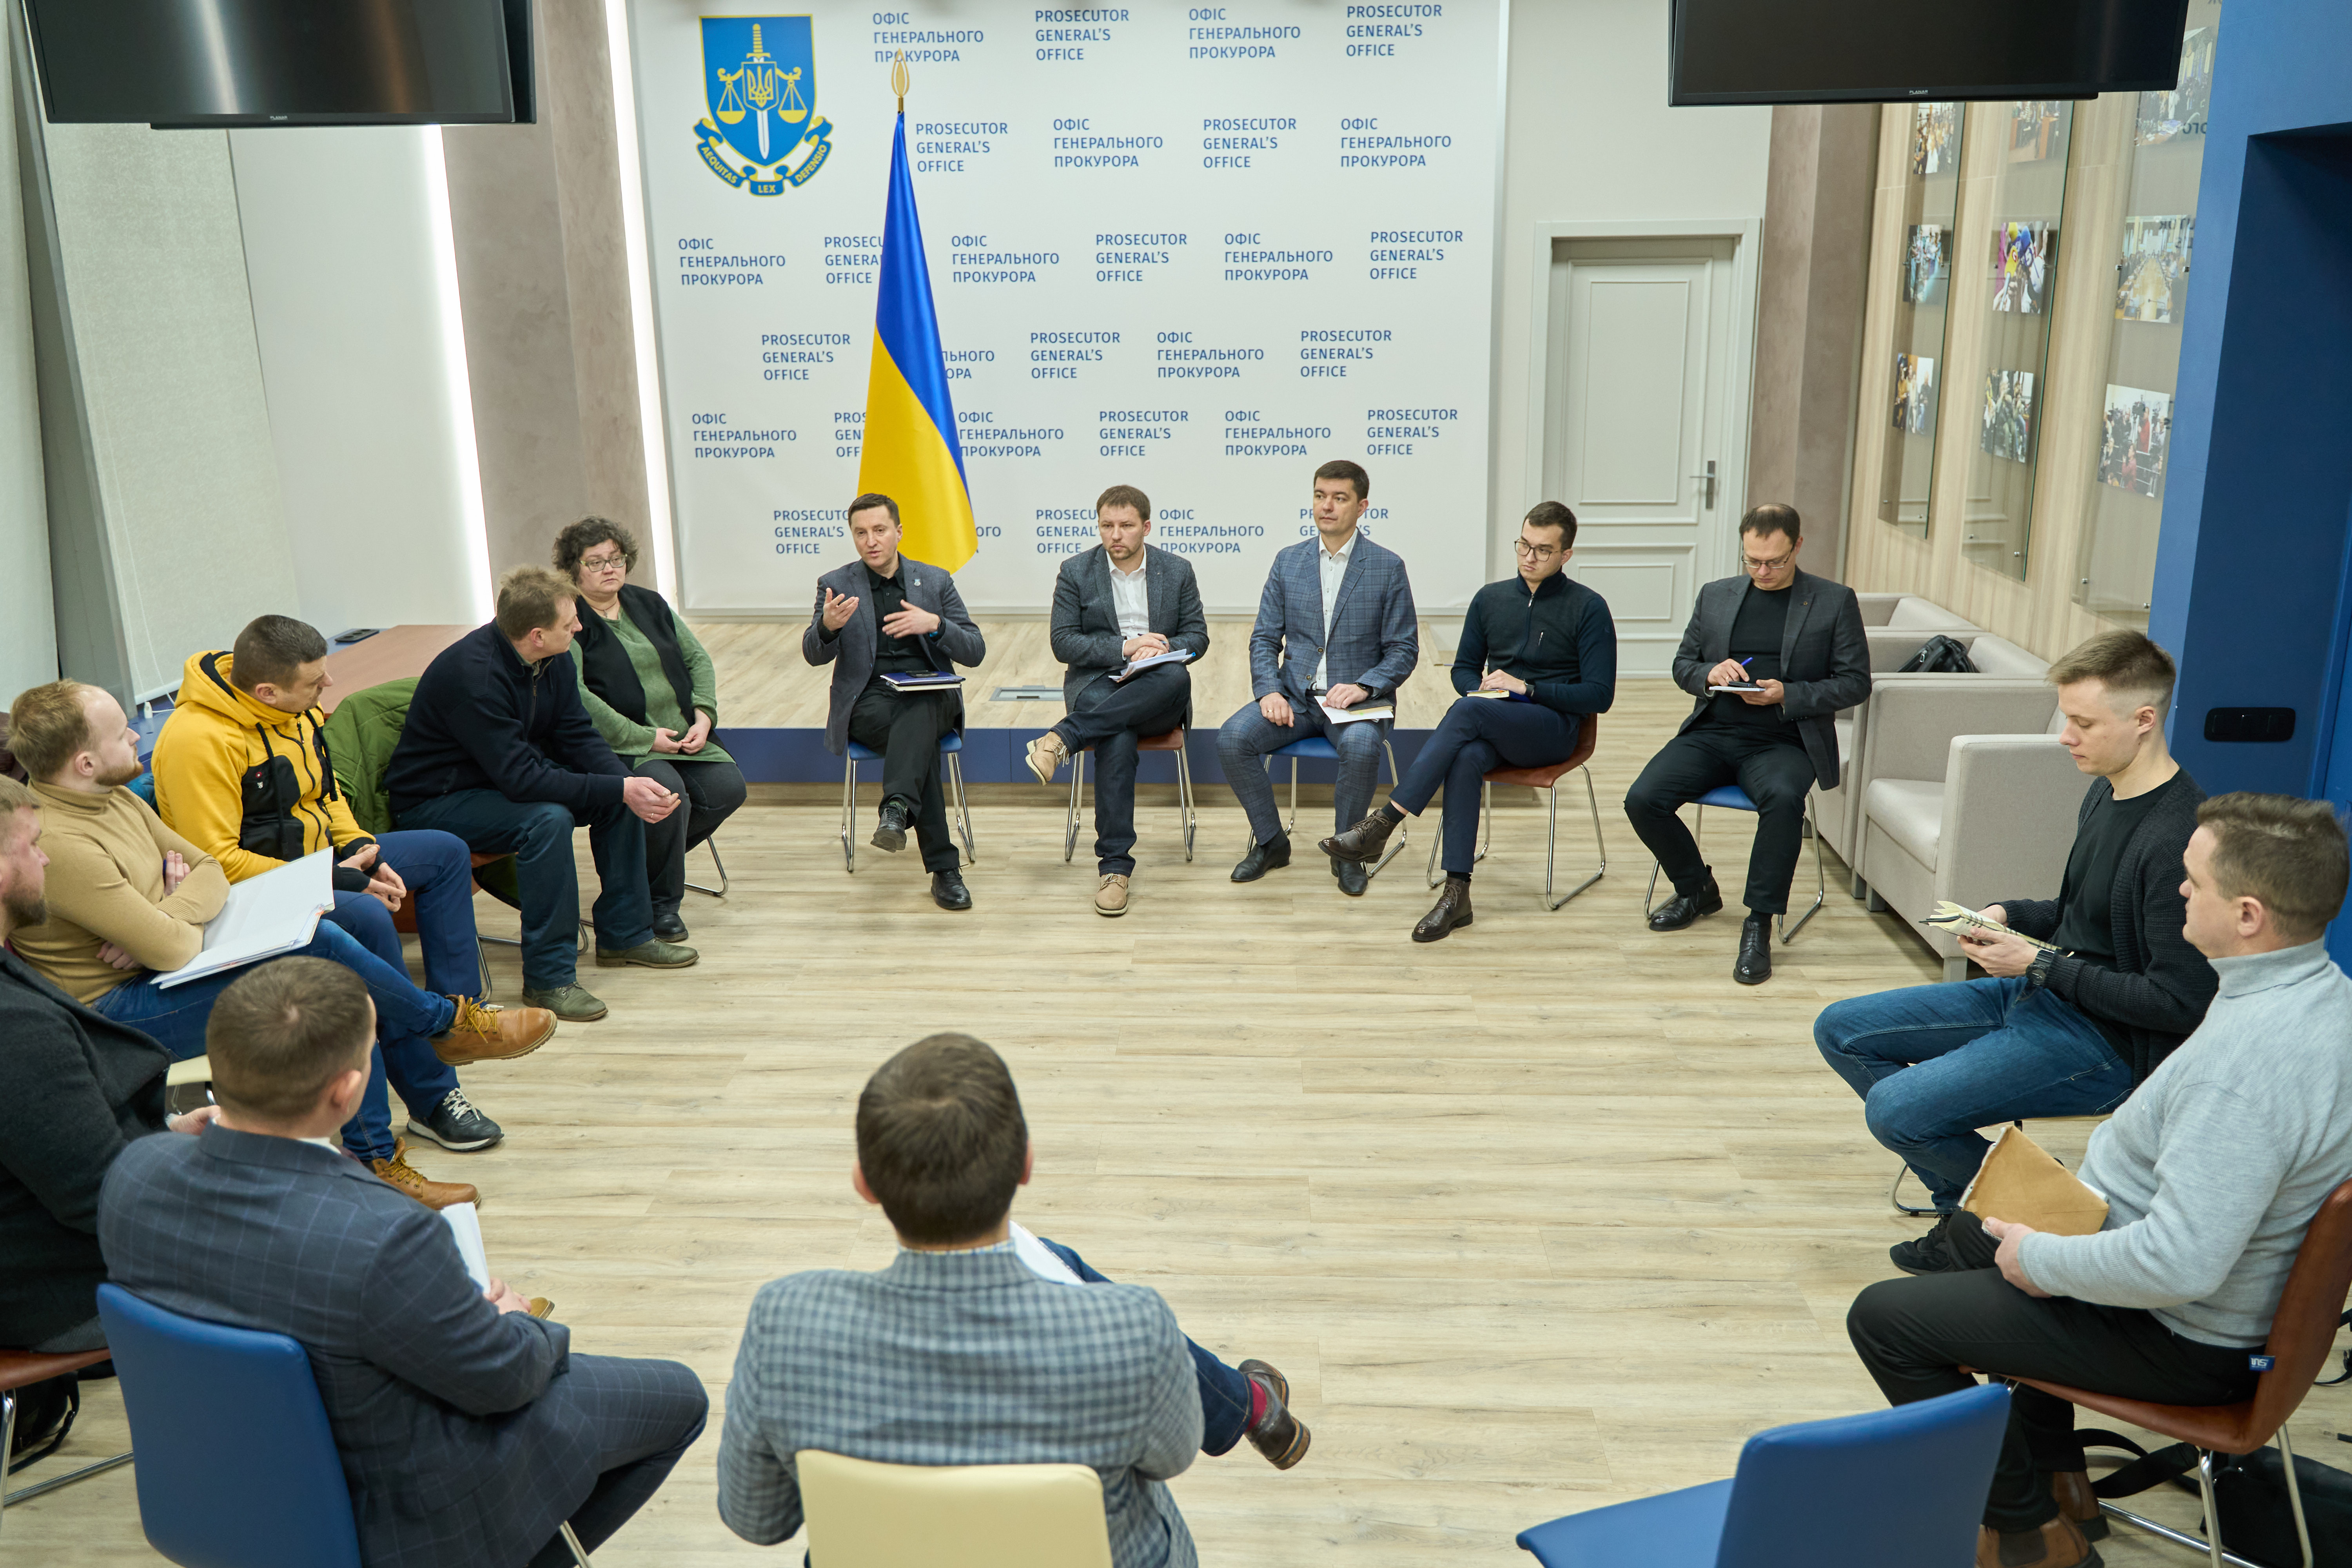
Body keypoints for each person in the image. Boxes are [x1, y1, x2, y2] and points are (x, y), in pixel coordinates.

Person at [1847, 793, 2352, 1568]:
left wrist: (2040, 1261)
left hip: (2185, 1335)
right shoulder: (2324, 995)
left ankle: (2030, 1536)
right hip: (2197, 1294)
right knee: (1967, 1233)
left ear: (2248, 915)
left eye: (2195, 881)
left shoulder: (2243, 1071)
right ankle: (2055, 1474)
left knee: (1886, 1320)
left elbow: (2181, 1264)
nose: (2180, 891)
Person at [99, 957, 710, 1568]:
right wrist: (516, 1322)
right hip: (391, 1514)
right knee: (678, 1396)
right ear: (346, 1091)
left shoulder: (135, 1175)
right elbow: (503, 1381)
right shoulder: (383, 1234)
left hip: (218, 1486)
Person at [717, 1033, 1310, 1568]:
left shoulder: (783, 1323)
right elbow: (1173, 1457)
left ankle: (1253, 1404)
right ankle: (1253, 1404)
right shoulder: (1134, 1327)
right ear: (1026, 1164)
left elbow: (756, 1520)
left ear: (864, 1183)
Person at [1817, 631, 2216, 1274]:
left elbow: (2178, 1002)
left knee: (1897, 1111)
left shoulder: (2178, 838)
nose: (2066, 738)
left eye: (2084, 723)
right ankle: (1980, 1210)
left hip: (2110, 1044)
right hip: (2045, 994)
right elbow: (2081, 914)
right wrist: (2010, 916)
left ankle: (2019, 1212)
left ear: (2144, 720)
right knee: (1841, 1030)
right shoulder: (2107, 789)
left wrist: (2039, 963)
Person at [6, 681, 488, 1208]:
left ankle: (405, 1103)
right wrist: (161, 926)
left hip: (159, 972)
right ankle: (438, 1031)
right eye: (122, 734)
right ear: (85, 764)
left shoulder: (113, 796)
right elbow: (170, 947)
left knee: (343, 947)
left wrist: (163, 912)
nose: (136, 737)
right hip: (116, 1010)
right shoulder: (61, 841)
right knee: (330, 961)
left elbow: (209, 869)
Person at [149, 615, 556, 1134]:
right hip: (251, 892)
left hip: (321, 864)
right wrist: (335, 878)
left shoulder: (295, 709)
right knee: (366, 914)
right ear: (267, 691)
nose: (329, 684)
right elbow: (218, 861)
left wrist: (361, 846)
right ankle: (431, 1095)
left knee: (446, 853)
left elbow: (328, 796)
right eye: (314, 681)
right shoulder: (197, 740)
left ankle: (460, 1019)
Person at [388, 566, 697, 1024]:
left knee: (617, 796)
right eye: (570, 623)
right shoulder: (474, 677)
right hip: (438, 800)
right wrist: (620, 786)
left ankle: (626, 934)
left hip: (497, 781)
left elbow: (578, 735)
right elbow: (523, 781)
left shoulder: (554, 657)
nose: (580, 628)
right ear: (537, 635)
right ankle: (549, 978)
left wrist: (625, 785)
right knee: (547, 820)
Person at [1321, 502, 1616, 943]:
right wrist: (1479, 688)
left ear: (1565, 555)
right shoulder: (1491, 599)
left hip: (1553, 730)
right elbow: (1463, 670)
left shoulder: (1589, 607)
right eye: (1523, 545)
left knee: (1467, 713)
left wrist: (1528, 688)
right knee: (1466, 755)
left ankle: (1384, 821)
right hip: (1496, 721)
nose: (1529, 557)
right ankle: (1457, 893)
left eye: (1543, 550)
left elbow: (1599, 695)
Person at [0, 776, 221, 1354]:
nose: (47, 859)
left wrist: (170, 1135)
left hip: (64, 1231)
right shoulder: (15, 1029)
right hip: (66, 1289)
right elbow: (103, 1199)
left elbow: (60, 1142)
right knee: (321, 1248)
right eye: (33, 846)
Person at [1622, 503, 1869, 984]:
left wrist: (1788, 693)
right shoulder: (1716, 595)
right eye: (1752, 560)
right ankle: (1696, 888)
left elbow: (1856, 683)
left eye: (1774, 561)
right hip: (1714, 732)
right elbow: (1683, 665)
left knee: (1782, 799)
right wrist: (1709, 673)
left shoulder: (1833, 601)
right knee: (1643, 798)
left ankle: (1758, 922)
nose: (1762, 571)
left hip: (1785, 739)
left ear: (1797, 546)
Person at [1216, 459, 1419, 898]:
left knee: (1362, 747)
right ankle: (1272, 843)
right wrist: (1269, 691)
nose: (1327, 506)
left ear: (1362, 506)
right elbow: (1264, 638)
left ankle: (1348, 852)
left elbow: (1404, 649)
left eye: (1339, 498)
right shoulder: (1288, 561)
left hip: (1357, 703)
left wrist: (1365, 686)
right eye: (1320, 496)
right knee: (1233, 738)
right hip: (1296, 698)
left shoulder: (1387, 567)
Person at [555, 517, 748, 943]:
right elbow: (578, 696)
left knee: (728, 788)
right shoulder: (571, 618)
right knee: (665, 795)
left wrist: (704, 715)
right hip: (621, 745)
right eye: (595, 562)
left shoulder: (649, 603)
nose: (610, 568)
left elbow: (698, 659)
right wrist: (645, 737)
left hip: (681, 734)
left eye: (616, 558)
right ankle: (661, 904)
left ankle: (637, 876)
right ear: (574, 570)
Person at [1021, 484, 1210, 916]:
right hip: (1099, 682)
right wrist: (1126, 647)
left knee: (1175, 676)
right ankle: (1115, 869)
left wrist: (1160, 647)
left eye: (1126, 526)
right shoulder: (1076, 570)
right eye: (1107, 525)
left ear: (1146, 527)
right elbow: (1063, 642)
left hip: (1158, 686)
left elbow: (1198, 637)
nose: (1116, 535)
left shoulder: (1176, 570)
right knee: (1117, 734)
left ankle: (1062, 738)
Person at [803, 492, 987, 912]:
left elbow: (975, 650)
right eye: (861, 533)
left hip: (933, 694)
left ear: (899, 532)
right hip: (871, 703)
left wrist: (936, 625)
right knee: (919, 740)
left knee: (920, 708)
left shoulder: (935, 581)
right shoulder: (836, 584)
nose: (871, 541)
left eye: (880, 530)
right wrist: (827, 628)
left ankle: (897, 810)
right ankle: (943, 867)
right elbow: (813, 654)